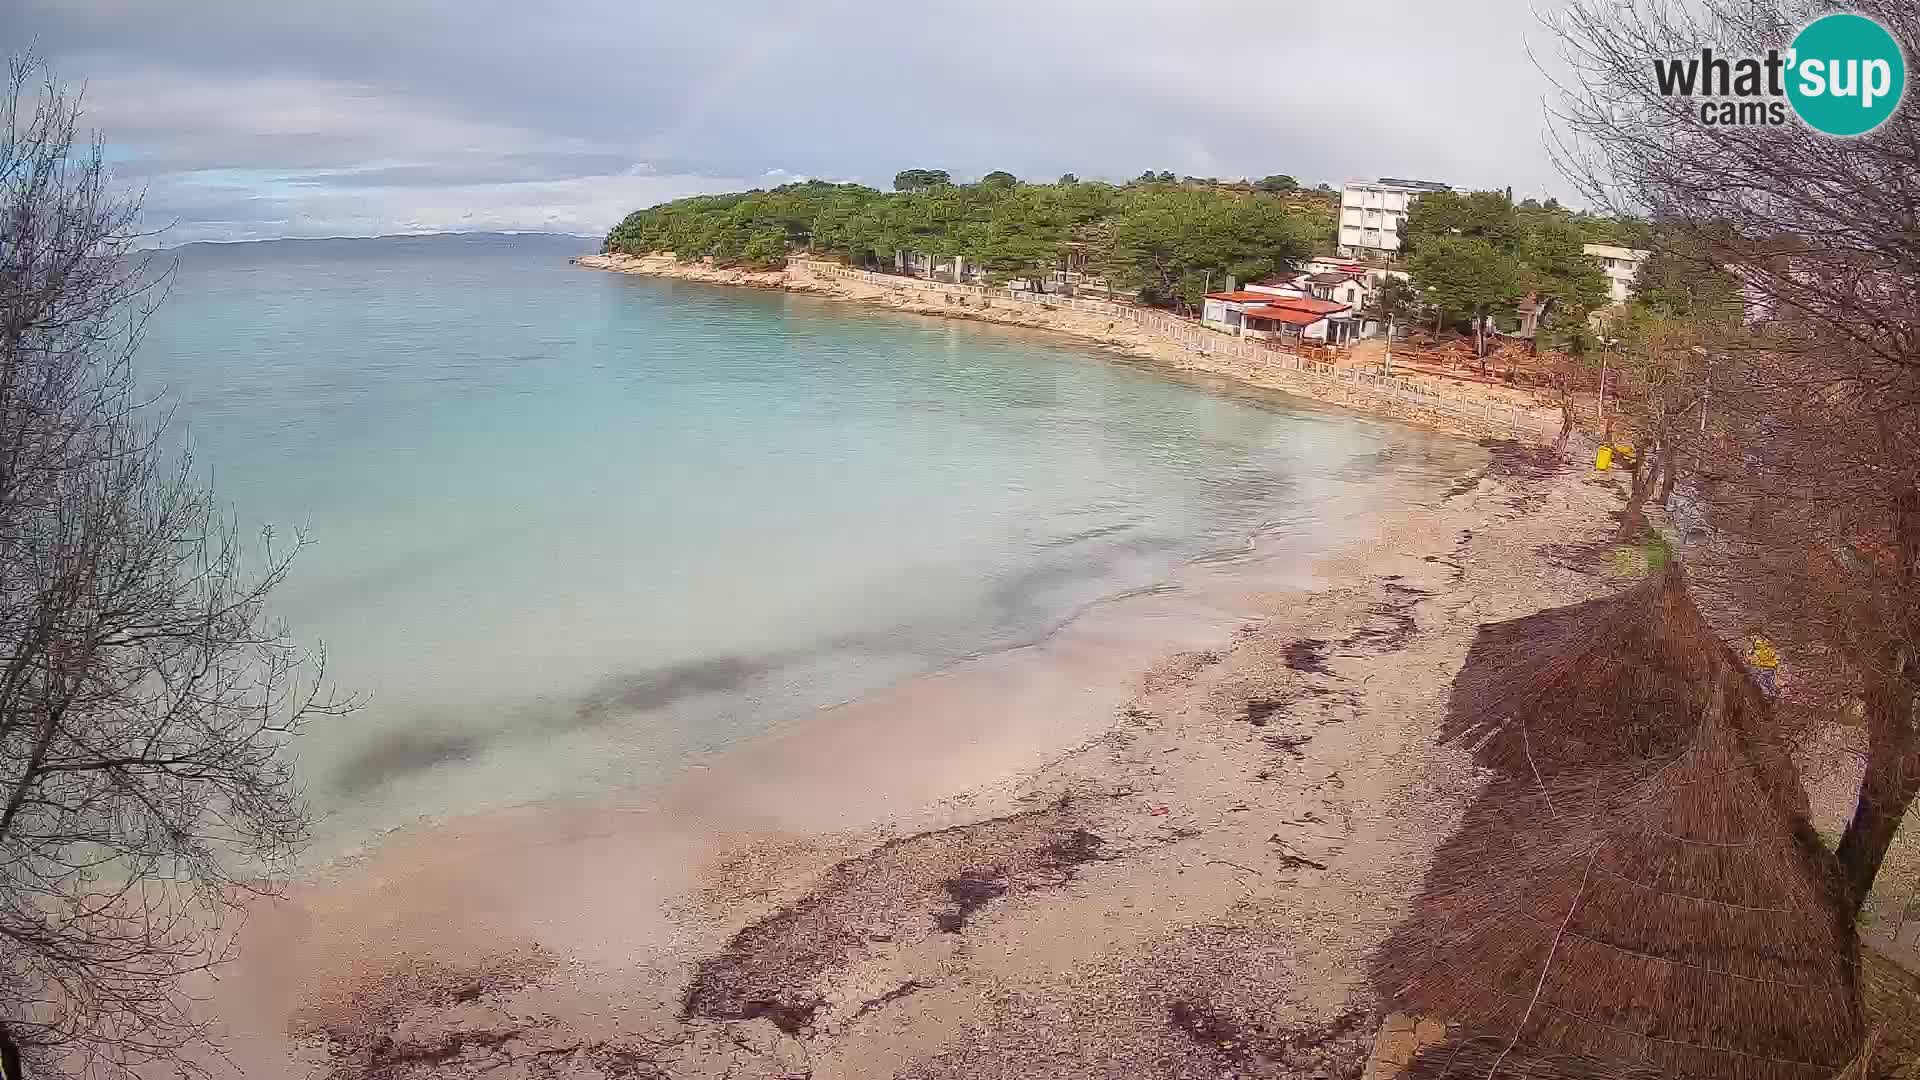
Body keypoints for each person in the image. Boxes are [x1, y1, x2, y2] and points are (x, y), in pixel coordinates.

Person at [1748, 631, 1782, 699]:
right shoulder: (1766, 648)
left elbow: (1756, 660)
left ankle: (1771, 693)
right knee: (1768, 681)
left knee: (1763, 680)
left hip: (1767, 667)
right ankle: (1774, 692)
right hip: (1769, 667)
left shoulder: (1760, 648)